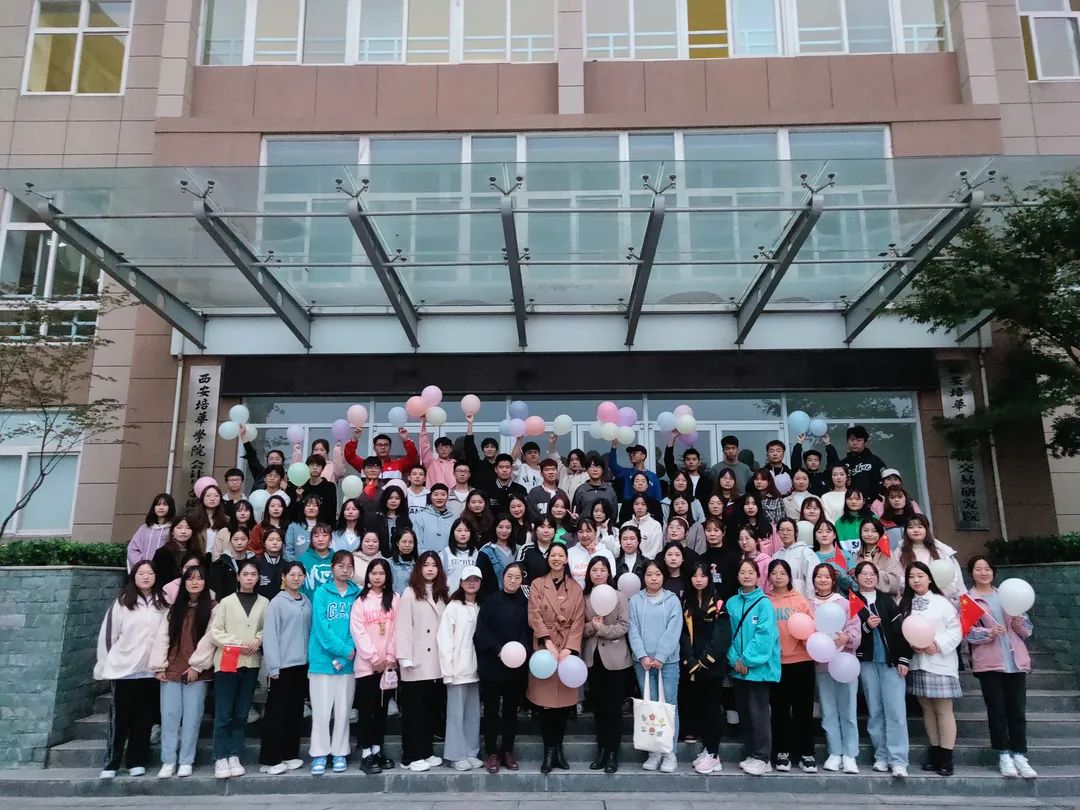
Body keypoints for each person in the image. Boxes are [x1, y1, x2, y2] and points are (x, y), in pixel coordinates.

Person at [94, 561, 168, 779]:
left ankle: (137, 760)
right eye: (141, 573)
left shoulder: (162, 602)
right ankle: (112, 762)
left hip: (150, 670)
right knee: (120, 718)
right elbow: (108, 635)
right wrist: (104, 664)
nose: (145, 577)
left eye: (150, 573)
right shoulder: (123, 602)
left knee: (144, 718)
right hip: (124, 669)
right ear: (133, 577)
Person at [965, 555, 1037, 779]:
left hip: (1015, 662)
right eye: (978, 569)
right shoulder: (969, 600)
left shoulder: (1007, 595)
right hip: (989, 664)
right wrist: (989, 633)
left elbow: (1027, 631)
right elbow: (967, 633)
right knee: (997, 711)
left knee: (1017, 711)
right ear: (971, 573)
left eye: (987, 568)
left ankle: (1020, 755)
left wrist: (1018, 621)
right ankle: (1003, 754)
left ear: (993, 572)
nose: (983, 573)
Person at [196, 559, 268, 780]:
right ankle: (220, 756)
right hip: (227, 661)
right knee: (224, 711)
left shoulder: (264, 602)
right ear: (238, 577)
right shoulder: (225, 603)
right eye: (245, 574)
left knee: (242, 711)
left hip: (251, 662)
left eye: (253, 574)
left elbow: (266, 628)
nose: (249, 578)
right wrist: (239, 643)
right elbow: (215, 632)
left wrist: (258, 639)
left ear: (258, 578)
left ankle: (235, 754)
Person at [150, 563, 213, 779]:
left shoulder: (212, 608)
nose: (195, 582)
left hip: (197, 671)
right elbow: (162, 638)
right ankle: (168, 760)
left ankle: (186, 760)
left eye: (199, 578)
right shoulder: (174, 608)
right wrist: (159, 665)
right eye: (190, 578)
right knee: (169, 715)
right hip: (171, 668)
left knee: (192, 717)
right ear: (184, 583)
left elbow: (210, 639)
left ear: (205, 583)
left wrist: (197, 665)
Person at [527, 543, 585, 774]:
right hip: (545, 650)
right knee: (546, 705)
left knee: (563, 706)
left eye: (561, 555)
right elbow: (534, 615)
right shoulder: (537, 584)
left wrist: (569, 648)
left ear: (567, 559)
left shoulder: (576, 588)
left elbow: (579, 620)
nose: (557, 558)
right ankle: (548, 750)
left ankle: (559, 750)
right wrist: (548, 642)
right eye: (553, 555)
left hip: (567, 653)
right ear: (548, 558)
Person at [901, 561, 963, 777]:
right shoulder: (905, 603)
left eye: (920, 575)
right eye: (911, 577)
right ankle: (935, 751)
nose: (916, 580)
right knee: (926, 708)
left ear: (929, 578)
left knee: (943, 709)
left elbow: (956, 629)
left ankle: (947, 756)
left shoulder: (942, 602)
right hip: (918, 662)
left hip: (940, 662)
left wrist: (937, 644)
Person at [852, 560, 911, 778]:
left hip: (891, 663)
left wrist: (904, 659)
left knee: (896, 711)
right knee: (875, 711)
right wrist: (867, 626)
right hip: (867, 663)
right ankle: (881, 756)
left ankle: (899, 760)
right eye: (864, 574)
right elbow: (850, 631)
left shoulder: (886, 600)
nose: (868, 577)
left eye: (872, 574)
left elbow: (902, 631)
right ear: (856, 577)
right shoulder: (852, 601)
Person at [306, 551, 360, 775]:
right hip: (322, 661)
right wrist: (343, 650)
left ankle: (340, 752)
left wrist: (347, 653)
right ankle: (319, 753)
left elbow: (358, 627)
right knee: (321, 711)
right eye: (341, 566)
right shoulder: (321, 592)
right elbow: (321, 628)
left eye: (349, 566)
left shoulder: (358, 594)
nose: (345, 570)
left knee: (343, 710)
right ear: (332, 568)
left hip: (348, 663)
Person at [474, 562, 531, 773]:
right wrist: (499, 650)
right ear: (503, 577)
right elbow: (482, 631)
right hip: (493, 663)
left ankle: (507, 751)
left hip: (516, 665)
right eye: (509, 576)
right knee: (491, 711)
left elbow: (528, 631)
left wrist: (519, 651)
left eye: (517, 577)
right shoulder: (490, 601)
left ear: (521, 580)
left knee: (510, 711)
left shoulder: (526, 603)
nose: (513, 580)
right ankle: (491, 753)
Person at [397, 551, 450, 771]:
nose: (430, 569)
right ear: (419, 568)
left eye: (434, 565)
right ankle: (410, 756)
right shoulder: (410, 592)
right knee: (414, 712)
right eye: (426, 565)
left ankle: (426, 751)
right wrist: (404, 657)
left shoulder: (442, 593)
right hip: (415, 660)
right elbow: (403, 627)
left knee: (429, 710)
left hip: (435, 662)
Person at [628, 558, 682, 773]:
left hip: (667, 663)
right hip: (643, 663)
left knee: (668, 706)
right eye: (649, 574)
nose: (653, 578)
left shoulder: (672, 600)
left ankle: (669, 752)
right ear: (643, 577)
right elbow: (632, 629)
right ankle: (653, 752)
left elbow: (674, 630)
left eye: (657, 574)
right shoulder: (635, 600)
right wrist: (642, 656)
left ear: (663, 576)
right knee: (649, 707)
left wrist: (661, 656)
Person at [727, 558, 780, 777]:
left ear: (758, 576)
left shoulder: (764, 603)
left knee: (759, 714)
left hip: (759, 669)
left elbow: (765, 636)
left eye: (751, 572)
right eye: (743, 572)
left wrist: (746, 660)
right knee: (745, 713)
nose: (747, 575)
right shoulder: (731, 603)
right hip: (738, 669)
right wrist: (734, 660)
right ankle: (751, 753)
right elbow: (727, 634)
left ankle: (763, 757)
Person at [258, 560, 311, 775]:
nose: (296, 578)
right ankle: (270, 759)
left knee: (294, 712)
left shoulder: (306, 601)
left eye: (300, 575)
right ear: (283, 577)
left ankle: (289, 754)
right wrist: (273, 667)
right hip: (282, 666)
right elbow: (270, 636)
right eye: (292, 575)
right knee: (276, 713)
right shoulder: (277, 603)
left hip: (301, 665)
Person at [581, 555, 631, 774]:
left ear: (609, 573)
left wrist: (603, 630)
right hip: (593, 660)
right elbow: (581, 628)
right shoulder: (585, 598)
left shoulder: (620, 596)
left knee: (613, 709)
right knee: (599, 709)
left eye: (602, 570)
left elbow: (624, 626)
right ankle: (601, 751)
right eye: (594, 570)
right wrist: (592, 627)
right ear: (589, 574)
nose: (599, 574)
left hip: (617, 660)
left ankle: (612, 753)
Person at [680, 560, 731, 775]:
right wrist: (690, 659)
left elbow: (722, 636)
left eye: (702, 576)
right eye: (695, 576)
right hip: (692, 667)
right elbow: (682, 633)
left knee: (712, 710)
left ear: (709, 578)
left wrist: (705, 660)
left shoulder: (718, 603)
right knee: (699, 709)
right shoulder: (685, 602)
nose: (699, 580)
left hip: (712, 667)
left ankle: (714, 753)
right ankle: (707, 749)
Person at [810, 563, 861, 773]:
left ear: (833, 581)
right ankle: (834, 752)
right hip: (822, 664)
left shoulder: (845, 603)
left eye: (826, 576)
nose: (822, 580)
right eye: (818, 576)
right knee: (828, 710)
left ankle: (850, 754)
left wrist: (847, 637)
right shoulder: (808, 604)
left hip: (845, 662)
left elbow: (855, 630)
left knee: (848, 710)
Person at [766, 559, 816, 774]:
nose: (778, 577)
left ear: (789, 576)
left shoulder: (800, 600)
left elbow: (811, 629)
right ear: (769, 576)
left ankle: (807, 753)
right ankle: (782, 752)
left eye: (782, 573)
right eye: (774, 573)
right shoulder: (765, 601)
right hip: (777, 664)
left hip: (802, 662)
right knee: (779, 711)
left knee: (803, 710)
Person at [351, 558, 399, 775]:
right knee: (367, 710)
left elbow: (397, 630)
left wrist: (389, 657)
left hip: (388, 666)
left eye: (381, 573)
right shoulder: (360, 601)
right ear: (368, 576)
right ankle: (365, 754)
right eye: (374, 573)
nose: (377, 577)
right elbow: (358, 633)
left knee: (381, 710)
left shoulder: (395, 599)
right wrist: (373, 658)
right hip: (366, 666)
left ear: (387, 576)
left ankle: (378, 750)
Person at [438, 565, 484, 771]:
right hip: (457, 670)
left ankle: (471, 752)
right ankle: (455, 755)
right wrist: (447, 671)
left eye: (476, 579)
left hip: (476, 670)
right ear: (461, 583)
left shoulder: (481, 606)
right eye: (468, 580)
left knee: (472, 714)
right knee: (455, 715)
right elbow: (444, 640)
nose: (472, 583)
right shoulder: (453, 607)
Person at [898, 515, 964, 597]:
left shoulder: (940, 550)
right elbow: (897, 577)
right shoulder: (900, 552)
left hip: (939, 596)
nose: (915, 530)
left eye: (920, 527)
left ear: (926, 529)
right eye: (911, 527)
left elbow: (952, 575)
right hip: (911, 596)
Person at [852, 518, 904, 598]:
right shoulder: (856, 556)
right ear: (861, 533)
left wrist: (873, 567)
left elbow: (895, 584)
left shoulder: (887, 554)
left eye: (874, 531)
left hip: (886, 600)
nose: (869, 534)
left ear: (880, 533)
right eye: (866, 530)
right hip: (863, 599)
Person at [344, 426, 419, 480]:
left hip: (392, 498)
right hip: (371, 498)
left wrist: (405, 440)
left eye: (386, 445)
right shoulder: (365, 464)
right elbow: (350, 456)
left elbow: (412, 457)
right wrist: (354, 439)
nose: (383, 447)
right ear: (374, 448)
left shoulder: (398, 464)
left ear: (390, 447)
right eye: (379, 445)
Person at [770, 518, 817, 599]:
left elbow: (812, 577)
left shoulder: (805, 552)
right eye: (782, 530)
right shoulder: (776, 556)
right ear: (777, 533)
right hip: (780, 599)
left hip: (801, 598)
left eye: (789, 530)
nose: (785, 533)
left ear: (795, 532)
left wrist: (811, 599)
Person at [127, 494, 176, 571]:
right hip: (145, 570)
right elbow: (132, 548)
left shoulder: (173, 528)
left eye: (165, 504)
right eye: (158, 504)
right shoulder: (144, 528)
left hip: (165, 570)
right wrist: (142, 564)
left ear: (170, 507)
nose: (161, 507)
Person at [152, 516, 204, 586]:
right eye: (179, 528)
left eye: (188, 528)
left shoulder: (197, 553)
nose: (183, 531)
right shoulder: (162, 553)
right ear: (172, 532)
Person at [286, 455, 337, 525]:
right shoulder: (301, 486)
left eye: (318, 465)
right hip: (303, 526)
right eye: (312, 465)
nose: (315, 468)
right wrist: (298, 498)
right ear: (307, 467)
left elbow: (332, 510)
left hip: (323, 526)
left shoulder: (329, 487)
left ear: (322, 468)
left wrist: (329, 527)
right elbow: (293, 514)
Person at [841, 425, 887, 502]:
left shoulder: (875, 461)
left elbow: (886, 482)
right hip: (850, 504)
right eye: (851, 440)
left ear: (865, 442)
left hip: (873, 504)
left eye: (859, 440)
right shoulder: (843, 463)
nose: (854, 443)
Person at [698, 517, 739, 601]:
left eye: (716, 530)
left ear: (723, 532)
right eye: (708, 530)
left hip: (730, 602)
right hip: (707, 603)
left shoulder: (734, 557)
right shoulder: (701, 559)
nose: (712, 534)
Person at [663, 438, 713, 507]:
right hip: (681, 510)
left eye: (694, 459)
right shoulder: (679, 478)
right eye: (688, 459)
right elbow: (668, 461)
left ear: (699, 463)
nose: (691, 462)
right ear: (684, 462)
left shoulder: (706, 481)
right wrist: (672, 437)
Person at [209, 526, 256, 600]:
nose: (239, 543)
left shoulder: (254, 561)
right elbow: (215, 589)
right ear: (230, 541)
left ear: (249, 540)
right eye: (235, 539)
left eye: (243, 539)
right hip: (226, 602)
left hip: (250, 601)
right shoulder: (221, 563)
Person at [567, 517, 616, 587]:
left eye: (588, 531)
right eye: (581, 531)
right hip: (576, 592)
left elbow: (612, 574)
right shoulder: (570, 552)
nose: (584, 535)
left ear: (595, 532)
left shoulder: (606, 553)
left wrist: (592, 555)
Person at [367, 485, 413, 558]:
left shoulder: (405, 520)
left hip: (400, 559)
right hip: (378, 558)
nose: (393, 501)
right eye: (390, 498)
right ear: (385, 499)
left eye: (397, 498)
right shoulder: (375, 519)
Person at [813, 519, 854, 593]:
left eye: (828, 531)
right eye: (820, 532)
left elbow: (855, 585)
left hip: (844, 597)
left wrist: (841, 577)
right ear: (815, 536)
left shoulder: (846, 555)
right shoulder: (812, 556)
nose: (824, 535)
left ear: (834, 535)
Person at [439, 518, 481, 591]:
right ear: (453, 533)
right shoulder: (444, 554)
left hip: (471, 595)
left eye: (466, 530)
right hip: (449, 596)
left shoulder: (477, 554)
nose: (463, 534)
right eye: (459, 530)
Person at [463, 413, 499, 496]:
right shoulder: (477, 465)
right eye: (486, 447)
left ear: (496, 450)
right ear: (483, 450)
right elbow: (469, 446)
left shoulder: (500, 468)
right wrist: (470, 423)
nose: (489, 449)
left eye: (492, 447)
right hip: (478, 500)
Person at [413, 483, 455, 555]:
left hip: (447, 558)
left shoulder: (453, 518)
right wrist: (426, 557)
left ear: (447, 497)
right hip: (425, 558)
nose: (439, 498)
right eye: (435, 494)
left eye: (443, 494)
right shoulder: (421, 517)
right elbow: (417, 541)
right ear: (430, 497)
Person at [518, 515, 559, 586]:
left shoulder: (559, 550)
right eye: (542, 527)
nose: (546, 531)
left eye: (550, 527)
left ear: (555, 531)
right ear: (535, 530)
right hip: (530, 591)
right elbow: (519, 573)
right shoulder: (526, 549)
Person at [190, 484, 230, 555]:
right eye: (208, 496)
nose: (212, 499)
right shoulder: (193, 518)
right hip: (198, 557)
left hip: (218, 558)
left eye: (216, 496)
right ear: (202, 498)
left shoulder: (227, 520)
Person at [298, 523, 334, 601]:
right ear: (311, 539)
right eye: (316, 536)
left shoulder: (336, 559)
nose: (320, 539)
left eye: (325, 535)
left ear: (330, 539)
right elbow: (298, 585)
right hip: (307, 604)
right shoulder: (303, 559)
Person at [835, 488, 874, 559]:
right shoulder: (839, 522)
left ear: (864, 501)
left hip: (871, 559)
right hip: (848, 560)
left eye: (857, 499)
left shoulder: (873, 518)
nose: (853, 502)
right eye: (850, 499)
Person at [622, 494, 663, 559]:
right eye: (636, 504)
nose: (640, 507)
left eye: (643, 504)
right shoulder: (626, 525)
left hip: (648, 563)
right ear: (632, 506)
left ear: (647, 506)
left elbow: (655, 551)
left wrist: (641, 562)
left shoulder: (655, 525)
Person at [419, 416, 456, 489]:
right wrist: (423, 424)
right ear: (436, 450)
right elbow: (424, 447)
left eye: (446, 447)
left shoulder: (456, 464)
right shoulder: (431, 463)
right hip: (434, 495)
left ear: (451, 449)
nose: (444, 450)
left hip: (452, 495)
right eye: (440, 448)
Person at [254, 527, 287, 600]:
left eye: (279, 540)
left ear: (283, 544)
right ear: (264, 543)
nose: (275, 543)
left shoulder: (287, 565)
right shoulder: (256, 564)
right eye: (271, 540)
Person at [387, 529, 418, 595]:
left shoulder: (419, 564)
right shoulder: (389, 563)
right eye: (404, 542)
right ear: (397, 543)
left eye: (411, 542)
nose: (407, 545)